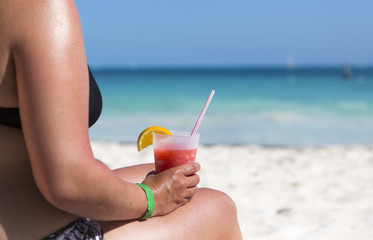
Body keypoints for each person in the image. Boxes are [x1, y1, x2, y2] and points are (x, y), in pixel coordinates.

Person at [0, 0, 242, 239]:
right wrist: (153, 197)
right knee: (219, 207)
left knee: (161, 174)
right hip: (44, 231)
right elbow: (69, 184)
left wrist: (157, 188)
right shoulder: (37, 8)